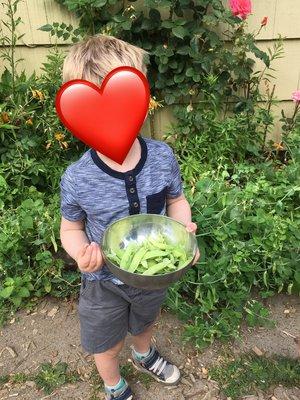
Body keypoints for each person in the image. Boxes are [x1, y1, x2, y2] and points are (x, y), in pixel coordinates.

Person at [59, 33, 200, 400]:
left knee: (146, 322)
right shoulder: (77, 177)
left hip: (153, 277)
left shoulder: (162, 157)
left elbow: (177, 200)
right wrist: (80, 253)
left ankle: (142, 354)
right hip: (103, 279)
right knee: (104, 342)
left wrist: (183, 230)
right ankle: (113, 384)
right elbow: (71, 226)